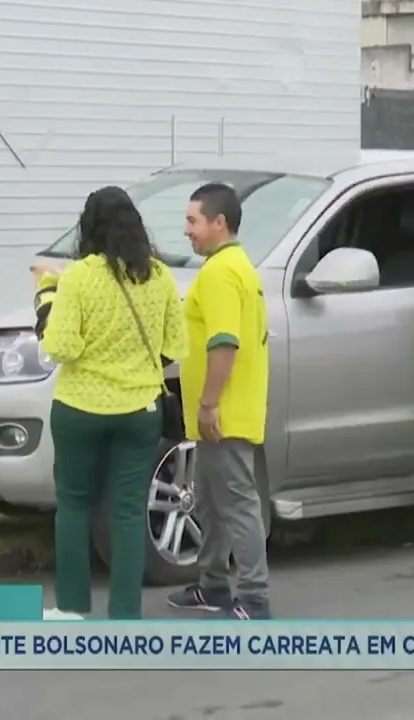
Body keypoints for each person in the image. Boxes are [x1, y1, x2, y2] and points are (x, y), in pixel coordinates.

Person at [32, 185, 187, 619]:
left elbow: (59, 347)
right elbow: (175, 346)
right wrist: (133, 367)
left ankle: (72, 609)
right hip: (139, 411)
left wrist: (46, 293)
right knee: (128, 512)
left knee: (74, 506)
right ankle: (125, 615)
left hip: (80, 408)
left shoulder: (79, 277)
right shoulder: (160, 276)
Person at [166, 183, 273, 620]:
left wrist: (209, 403)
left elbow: (224, 342)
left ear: (219, 222)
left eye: (193, 220)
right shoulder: (238, 267)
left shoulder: (219, 274)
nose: (186, 230)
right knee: (209, 501)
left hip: (223, 414)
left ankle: (254, 597)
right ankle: (213, 584)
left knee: (238, 504)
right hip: (227, 412)